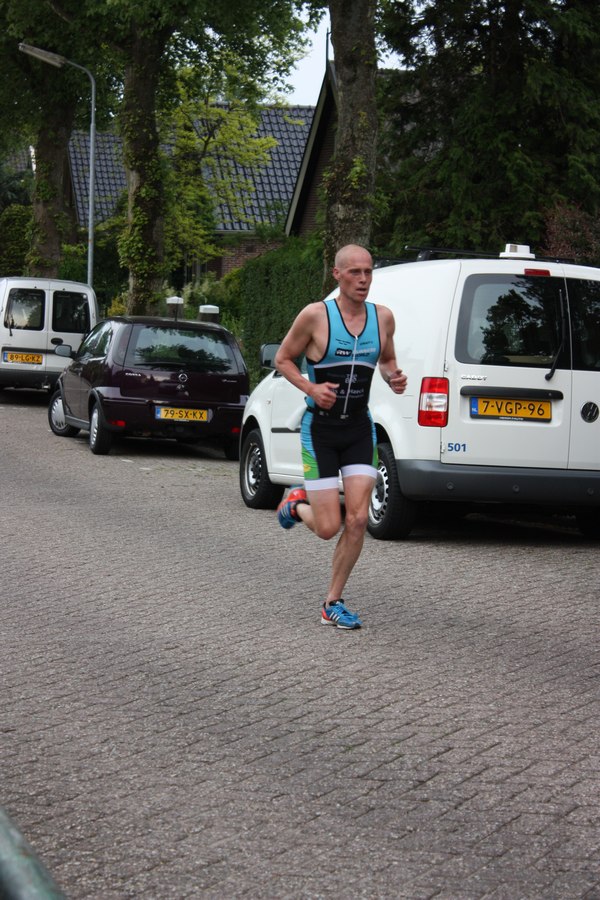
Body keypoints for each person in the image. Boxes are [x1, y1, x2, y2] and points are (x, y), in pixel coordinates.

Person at [274, 244, 407, 630]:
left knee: (359, 519)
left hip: (357, 429)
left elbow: (386, 360)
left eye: (368, 272)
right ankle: (297, 504)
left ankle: (332, 601)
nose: (363, 280)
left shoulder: (383, 319)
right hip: (320, 431)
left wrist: (393, 376)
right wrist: (311, 389)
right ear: (337, 274)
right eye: (354, 272)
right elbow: (283, 359)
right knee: (328, 527)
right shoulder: (315, 317)